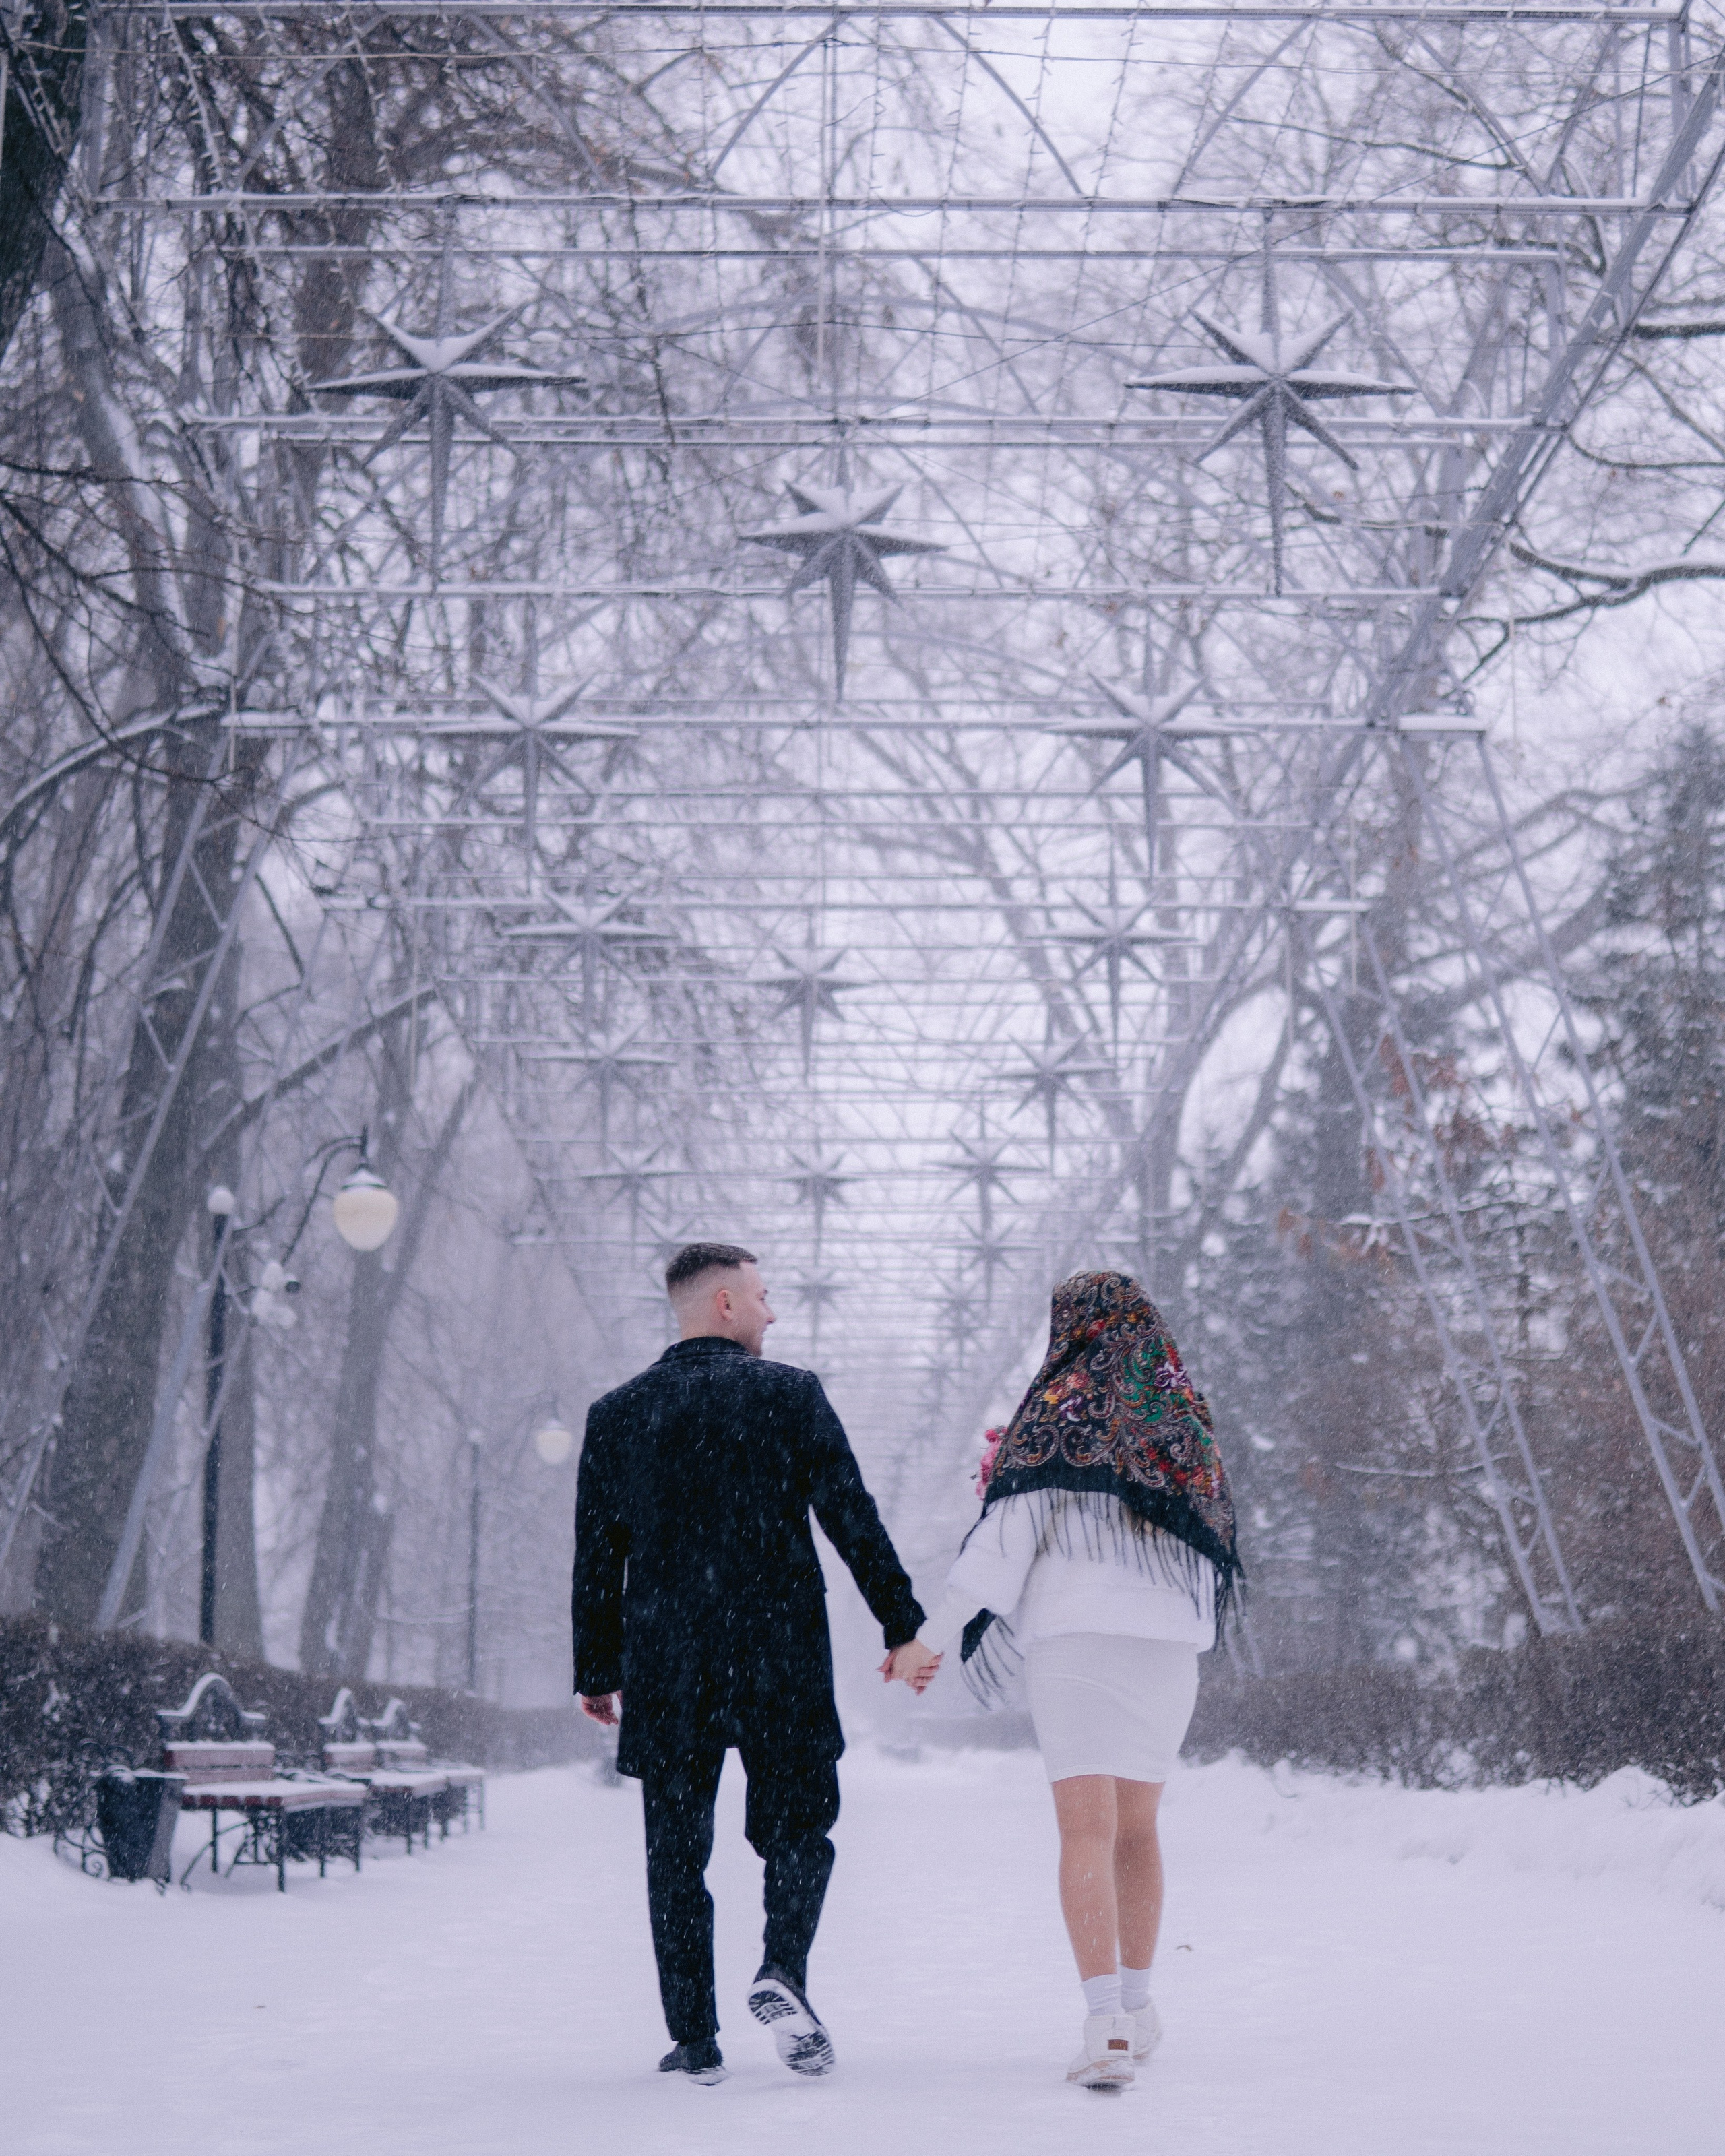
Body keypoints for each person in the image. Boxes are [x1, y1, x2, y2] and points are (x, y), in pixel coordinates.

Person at [572, 1240, 925, 2086]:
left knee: (674, 1850)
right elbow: (850, 1514)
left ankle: (694, 2037)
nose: (774, 1311)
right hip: (780, 1654)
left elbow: (596, 1552)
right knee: (798, 1826)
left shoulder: (618, 1413)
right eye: (763, 1296)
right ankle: (783, 1969)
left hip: (668, 1661)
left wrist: (597, 1666)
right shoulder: (789, 1393)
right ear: (725, 1304)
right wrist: (900, 1623)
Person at [887, 1271, 1239, 2092]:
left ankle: (1103, 2023)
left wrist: (925, 1641)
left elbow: (998, 1551)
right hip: (1165, 1649)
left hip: (1076, 1642)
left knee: (1085, 1827)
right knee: (1139, 1829)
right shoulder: (1180, 1420)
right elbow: (1210, 1542)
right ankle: (1140, 2006)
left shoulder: (1056, 1412)